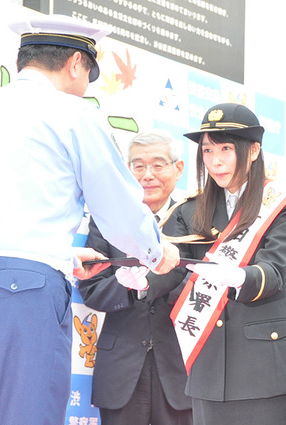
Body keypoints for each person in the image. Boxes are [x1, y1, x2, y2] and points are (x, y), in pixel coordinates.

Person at [0, 14, 179, 425]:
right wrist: (154, 249)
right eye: (88, 75)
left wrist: (56, 253)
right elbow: (119, 211)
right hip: (17, 296)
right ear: (76, 63)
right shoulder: (72, 113)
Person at [164, 102, 286, 425]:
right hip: (210, 368)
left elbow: (273, 272)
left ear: (254, 150)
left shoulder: (285, 203)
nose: (215, 161)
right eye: (207, 151)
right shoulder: (189, 211)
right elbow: (170, 267)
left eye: (226, 149)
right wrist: (140, 280)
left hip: (267, 370)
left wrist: (240, 276)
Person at [78, 130, 192, 425]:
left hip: (181, 372)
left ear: (178, 169)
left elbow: (204, 285)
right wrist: (132, 289)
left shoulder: (194, 221)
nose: (148, 175)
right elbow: (91, 286)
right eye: (138, 166)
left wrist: (153, 285)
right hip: (121, 373)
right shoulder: (107, 220)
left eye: (158, 165)